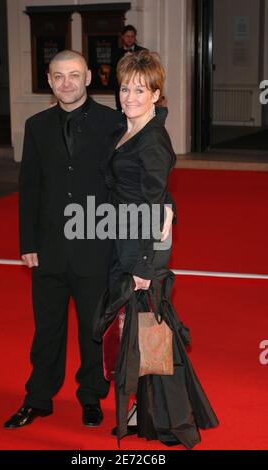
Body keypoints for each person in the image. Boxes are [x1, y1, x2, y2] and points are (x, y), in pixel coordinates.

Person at [3, 49, 171, 430]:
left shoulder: (115, 122)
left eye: (74, 75)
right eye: (58, 76)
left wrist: (162, 216)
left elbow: (143, 174)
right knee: (46, 329)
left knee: (93, 331)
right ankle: (38, 397)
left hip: (97, 246)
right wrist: (27, 242)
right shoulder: (36, 125)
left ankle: (91, 396)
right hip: (47, 249)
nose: (67, 83)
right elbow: (29, 187)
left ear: (89, 77)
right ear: (49, 81)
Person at [96, 50, 219, 449]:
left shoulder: (151, 141)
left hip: (141, 250)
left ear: (156, 94)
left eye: (141, 89)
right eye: (125, 87)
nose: (130, 96)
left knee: (149, 335)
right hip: (124, 240)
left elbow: (154, 204)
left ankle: (170, 419)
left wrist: (146, 267)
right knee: (138, 335)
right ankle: (147, 411)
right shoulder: (127, 129)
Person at [112, 25, 145, 110]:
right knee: (121, 113)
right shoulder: (116, 53)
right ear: (122, 37)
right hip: (121, 88)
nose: (130, 39)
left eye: (132, 36)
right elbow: (114, 72)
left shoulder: (142, 52)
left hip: (139, 88)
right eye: (127, 36)